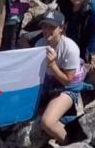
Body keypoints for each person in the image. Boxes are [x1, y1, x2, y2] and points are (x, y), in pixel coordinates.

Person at [36, 11, 84, 145]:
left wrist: (52, 65)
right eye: (44, 26)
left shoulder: (70, 48)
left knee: (47, 122)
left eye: (51, 27)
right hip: (47, 84)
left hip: (67, 87)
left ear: (61, 28)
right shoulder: (40, 44)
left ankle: (70, 143)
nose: (46, 30)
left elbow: (67, 80)